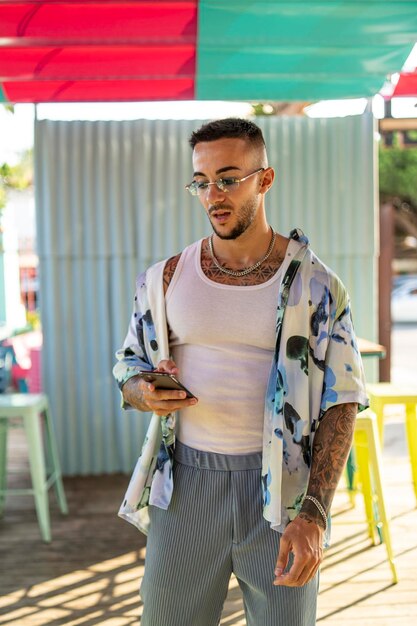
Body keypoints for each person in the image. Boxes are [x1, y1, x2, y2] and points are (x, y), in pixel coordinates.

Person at [113, 117, 368, 626]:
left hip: (282, 490)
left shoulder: (317, 286)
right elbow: (129, 367)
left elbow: (342, 401)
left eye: (229, 178)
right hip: (185, 485)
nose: (214, 195)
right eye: (202, 182)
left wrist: (315, 513)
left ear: (265, 179)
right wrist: (144, 390)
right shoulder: (166, 279)